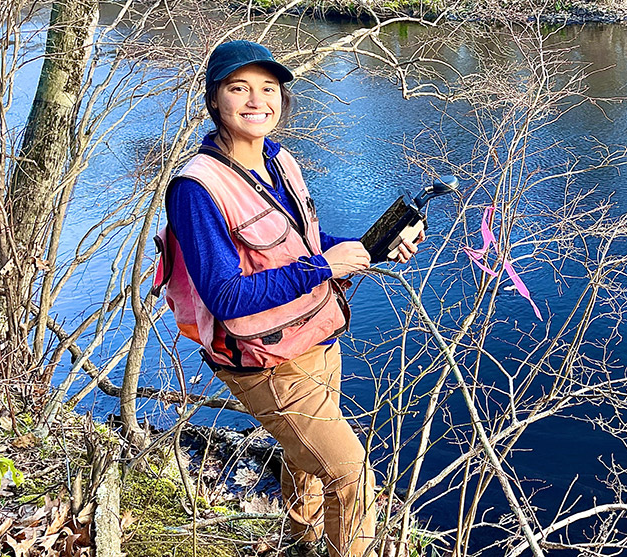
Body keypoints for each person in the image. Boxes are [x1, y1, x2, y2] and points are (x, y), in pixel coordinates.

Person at [154, 40, 419, 557]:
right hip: (262, 359)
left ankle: (302, 543)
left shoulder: (280, 161)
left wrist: (371, 248)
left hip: (316, 336)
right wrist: (323, 268)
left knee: (305, 459)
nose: (257, 101)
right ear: (214, 101)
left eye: (268, 89)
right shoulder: (197, 187)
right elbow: (226, 295)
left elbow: (300, 242)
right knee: (350, 472)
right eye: (239, 88)